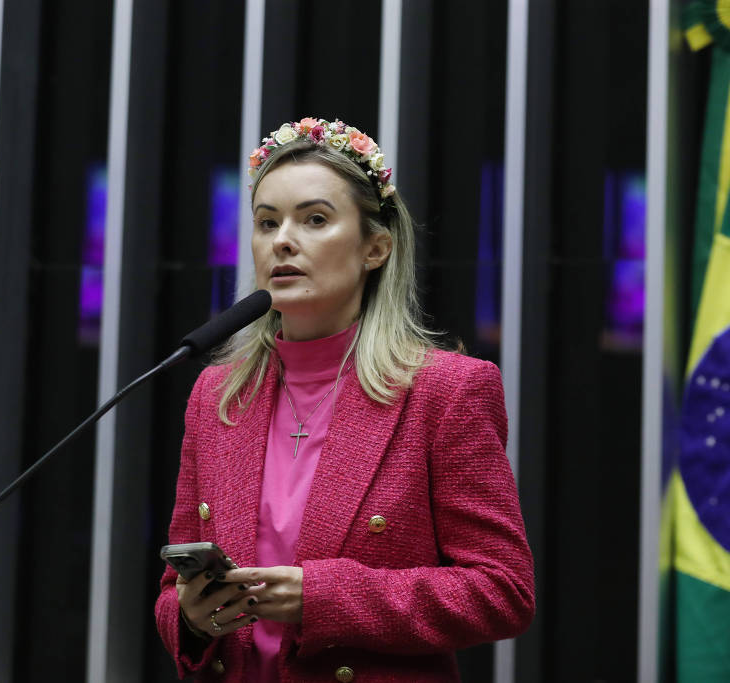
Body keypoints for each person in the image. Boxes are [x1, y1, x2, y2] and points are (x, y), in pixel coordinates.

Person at [155, 117, 534, 682]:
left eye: (314, 219)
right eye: (266, 222)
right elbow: (171, 591)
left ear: (375, 248)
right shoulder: (218, 394)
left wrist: (324, 597)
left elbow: (502, 591)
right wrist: (190, 616)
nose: (282, 239)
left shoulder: (446, 391)